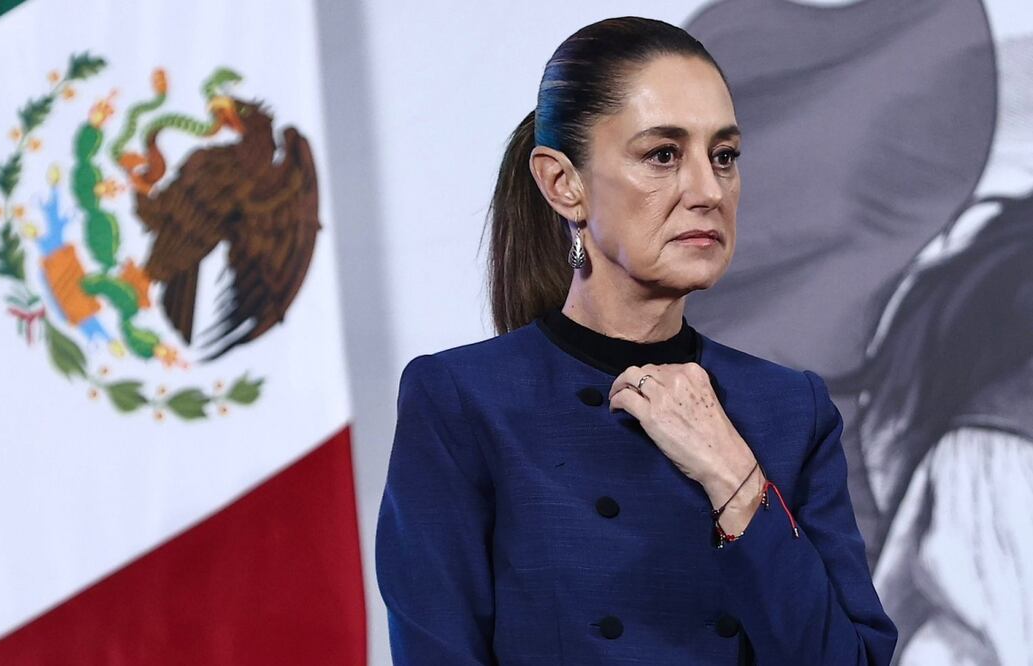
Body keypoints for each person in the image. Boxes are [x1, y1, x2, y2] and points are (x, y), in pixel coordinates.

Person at [375, 16, 898, 665]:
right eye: (661, 155)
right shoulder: (464, 401)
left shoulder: (790, 409)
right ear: (562, 183)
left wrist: (731, 473)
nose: (708, 191)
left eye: (724, 156)